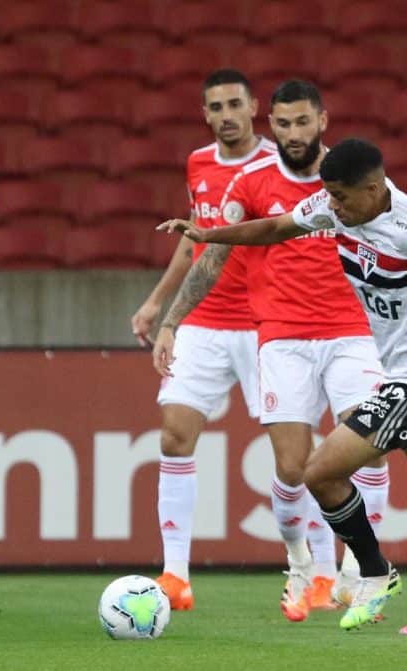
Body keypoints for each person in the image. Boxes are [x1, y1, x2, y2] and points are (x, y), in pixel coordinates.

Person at [166, 137, 407, 634]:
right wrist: (211, 234)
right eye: (327, 196)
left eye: (341, 198)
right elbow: (277, 228)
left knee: (320, 472)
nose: (331, 206)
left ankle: (376, 572)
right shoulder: (338, 207)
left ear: (373, 190)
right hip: (401, 376)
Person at [152, 81, 389, 622]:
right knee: (293, 470)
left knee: (369, 447)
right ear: (272, 125)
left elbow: (397, 244)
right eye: (283, 124)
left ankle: (359, 573)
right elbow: (214, 255)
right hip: (282, 337)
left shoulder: (354, 179)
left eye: (303, 122)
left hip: (352, 332)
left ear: (323, 121)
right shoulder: (252, 180)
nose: (293, 134)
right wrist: (172, 319)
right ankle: (301, 561)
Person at [129, 69, 275, 611]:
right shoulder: (199, 163)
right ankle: (175, 574)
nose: (226, 114)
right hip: (206, 321)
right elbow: (196, 242)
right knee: (174, 434)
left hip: (266, 323)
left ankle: (315, 569)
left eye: (235, 103)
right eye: (216, 107)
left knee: (291, 455)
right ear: (206, 114)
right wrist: (158, 305)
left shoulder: (276, 166)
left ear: (255, 106)